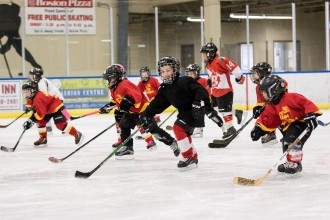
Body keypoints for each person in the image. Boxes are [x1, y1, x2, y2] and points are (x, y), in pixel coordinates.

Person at [140, 56, 224, 170]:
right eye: (163, 71)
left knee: (178, 128)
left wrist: (197, 102)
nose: (165, 74)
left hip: (195, 111)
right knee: (184, 133)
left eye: (168, 70)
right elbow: (157, 104)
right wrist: (146, 114)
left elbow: (202, 91)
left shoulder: (184, 81)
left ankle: (188, 157)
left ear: (175, 70)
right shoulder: (164, 88)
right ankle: (193, 156)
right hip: (184, 113)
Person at [250, 75, 322, 174]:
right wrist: (259, 129)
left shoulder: (291, 97)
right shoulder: (272, 105)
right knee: (286, 141)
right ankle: (289, 161)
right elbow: (269, 118)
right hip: (288, 125)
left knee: (292, 139)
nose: (263, 95)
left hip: (302, 123)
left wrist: (311, 114)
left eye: (265, 92)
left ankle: (296, 163)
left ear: (274, 90)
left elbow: (306, 104)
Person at [99, 64, 157, 159]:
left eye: (108, 78)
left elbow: (136, 96)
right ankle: (128, 148)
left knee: (141, 125)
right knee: (123, 125)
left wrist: (128, 102)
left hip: (140, 110)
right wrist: (107, 107)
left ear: (115, 77)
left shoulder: (124, 84)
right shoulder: (113, 88)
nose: (107, 81)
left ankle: (150, 141)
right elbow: (116, 101)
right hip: (132, 111)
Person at [200, 42, 247, 140]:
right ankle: (237, 112)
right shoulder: (208, 64)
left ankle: (230, 129)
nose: (203, 56)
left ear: (211, 53)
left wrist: (239, 77)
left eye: (205, 54)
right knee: (216, 109)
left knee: (225, 111)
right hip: (215, 91)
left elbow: (233, 66)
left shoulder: (220, 60)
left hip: (224, 90)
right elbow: (211, 74)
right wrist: (210, 80)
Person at [22, 81, 84, 147]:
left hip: (57, 108)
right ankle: (43, 139)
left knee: (60, 125)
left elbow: (40, 114)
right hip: (48, 110)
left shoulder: (38, 98)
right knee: (40, 121)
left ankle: (76, 134)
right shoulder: (32, 95)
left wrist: (31, 120)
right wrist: (28, 107)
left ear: (33, 90)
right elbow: (30, 102)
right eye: (24, 92)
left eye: (27, 92)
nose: (25, 94)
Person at [0, 2, 42, 69]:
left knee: (19, 46)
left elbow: (13, 36)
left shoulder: (16, 19)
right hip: (7, 26)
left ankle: (35, 65)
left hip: (10, 30)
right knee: (18, 45)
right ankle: (35, 65)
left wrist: (6, 46)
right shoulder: (13, 18)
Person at [27, 67, 65, 135]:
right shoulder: (38, 81)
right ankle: (65, 120)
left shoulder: (41, 83)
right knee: (47, 113)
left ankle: (54, 127)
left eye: (31, 74)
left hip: (56, 99)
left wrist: (35, 106)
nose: (29, 76)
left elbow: (42, 98)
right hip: (53, 99)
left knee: (45, 113)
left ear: (35, 75)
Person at [249, 62, 278, 146]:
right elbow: (261, 102)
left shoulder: (274, 82)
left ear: (263, 73)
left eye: (255, 73)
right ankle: (271, 134)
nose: (253, 75)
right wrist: (258, 108)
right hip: (274, 109)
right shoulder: (258, 87)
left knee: (276, 113)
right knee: (264, 113)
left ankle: (287, 132)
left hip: (282, 108)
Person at [185, 63, 210, 138]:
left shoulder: (203, 81)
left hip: (203, 101)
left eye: (192, 74)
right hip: (193, 102)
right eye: (188, 74)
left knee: (199, 111)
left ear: (197, 73)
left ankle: (199, 129)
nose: (190, 75)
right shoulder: (187, 82)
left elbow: (207, 91)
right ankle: (190, 128)